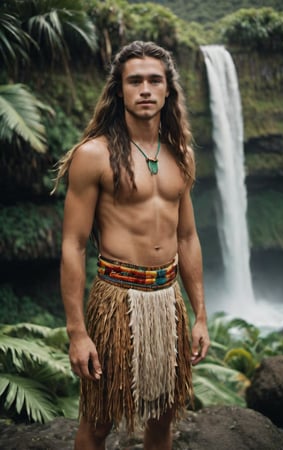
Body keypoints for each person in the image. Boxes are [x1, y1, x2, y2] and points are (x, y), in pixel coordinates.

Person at [53, 40, 210, 450]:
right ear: (119, 89)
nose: (145, 88)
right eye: (134, 80)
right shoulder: (94, 155)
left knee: (162, 420)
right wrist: (77, 333)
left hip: (167, 299)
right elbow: (73, 244)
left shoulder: (181, 154)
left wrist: (200, 316)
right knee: (98, 422)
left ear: (168, 90)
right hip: (116, 302)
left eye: (154, 80)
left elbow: (188, 237)